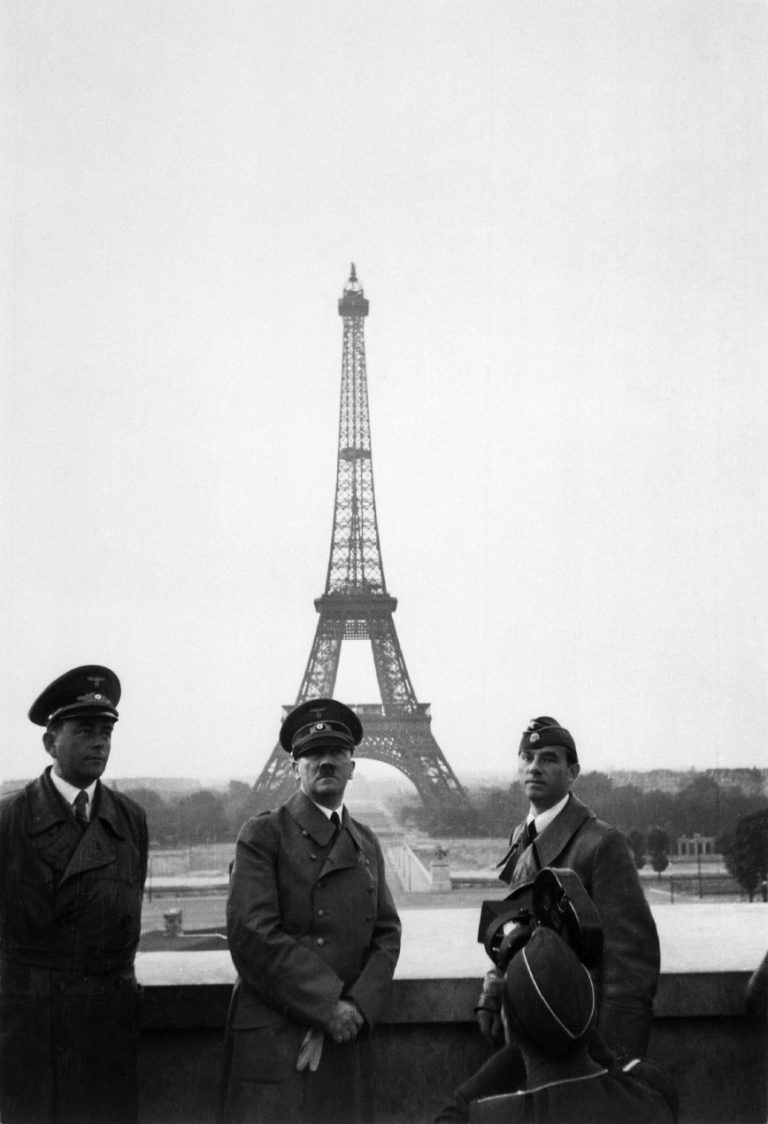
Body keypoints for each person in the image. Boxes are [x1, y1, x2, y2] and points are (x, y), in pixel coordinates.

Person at [221, 698, 402, 1124]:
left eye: (336, 752)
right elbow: (251, 934)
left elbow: (387, 933)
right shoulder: (262, 834)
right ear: (294, 766)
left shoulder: (366, 840)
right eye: (313, 753)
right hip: (280, 1037)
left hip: (345, 1034)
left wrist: (355, 1007)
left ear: (352, 765)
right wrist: (326, 1006)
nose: (326, 762)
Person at [474, 717, 660, 1088]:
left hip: (579, 1054)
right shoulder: (522, 834)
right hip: (527, 1037)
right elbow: (517, 932)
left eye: (548, 759)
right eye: (527, 757)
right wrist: (495, 991)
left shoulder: (602, 843)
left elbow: (631, 967)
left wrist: (614, 1064)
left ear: (572, 773)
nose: (534, 767)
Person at [0, 665, 148, 1124]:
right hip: (32, 1031)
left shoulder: (131, 819)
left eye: (106, 731)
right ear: (50, 742)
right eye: (85, 730)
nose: (100, 742)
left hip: (107, 1026)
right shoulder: (9, 820)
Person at [437, 926, 677, 1124]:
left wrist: (524, 1021)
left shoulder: (490, 1117)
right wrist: (567, 1008)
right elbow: (614, 1071)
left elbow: (452, 1113)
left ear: (509, 1027)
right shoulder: (653, 1091)